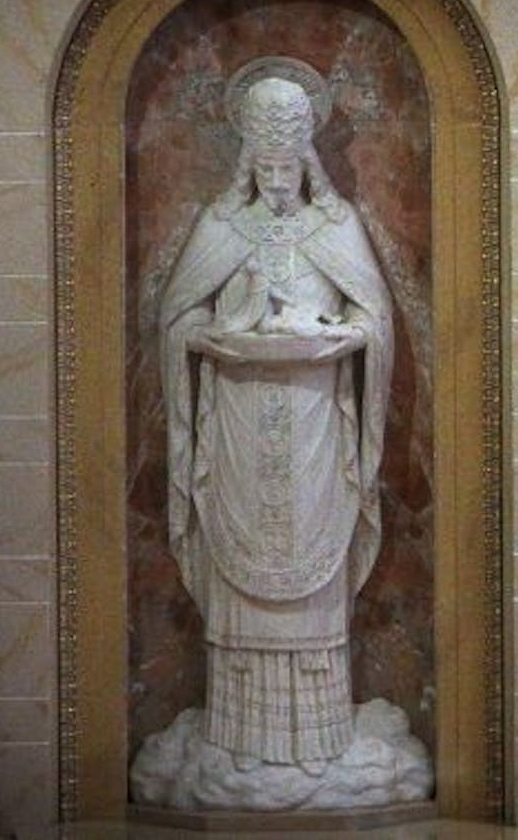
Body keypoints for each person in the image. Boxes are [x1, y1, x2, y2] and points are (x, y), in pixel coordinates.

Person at [158, 61, 393, 764]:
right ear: (247, 161)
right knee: (240, 553)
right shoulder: (223, 223)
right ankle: (237, 736)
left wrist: (346, 334)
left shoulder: (337, 224)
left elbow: (372, 317)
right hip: (236, 414)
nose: (277, 179)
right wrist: (207, 335)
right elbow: (179, 318)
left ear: (305, 158)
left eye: (288, 165)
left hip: (315, 418)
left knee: (311, 560)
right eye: (265, 167)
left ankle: (318, 731)